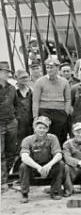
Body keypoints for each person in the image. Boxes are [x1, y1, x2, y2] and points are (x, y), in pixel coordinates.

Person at [19, 116, 65, 202]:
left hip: (48, 166)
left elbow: (59, 154)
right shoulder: (27, 140)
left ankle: (55, 191)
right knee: (23, 166)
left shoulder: (52, 138)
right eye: (39, 127)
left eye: (44, 128)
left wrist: (49, 165)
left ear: (47, 129)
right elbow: (24, 157)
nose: (42, 130)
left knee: (60, 164)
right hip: (33, 167)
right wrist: (38, 167)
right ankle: (24, 193)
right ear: (35, 128)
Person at [32, 57, 72, 147]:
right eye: (47, 67)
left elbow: (68, 99)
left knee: (60, 138)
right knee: (44, 137)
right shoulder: (39, 82)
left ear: (57, 68)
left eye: (52, 67)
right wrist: (35, 117)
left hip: (60, 113)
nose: (49, 70)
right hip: (44, 112)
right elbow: (35, 101)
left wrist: (66, 112)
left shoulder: (64, 82)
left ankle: (59, 157)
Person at [0, 61, 18, 193]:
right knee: (0, 153)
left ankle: (7, 179)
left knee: (11, 151)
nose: (7, 74)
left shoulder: (12, 88)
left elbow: (16, 105)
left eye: (8, 72)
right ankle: (2, 181)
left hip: (11, 122)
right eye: (5, 72)